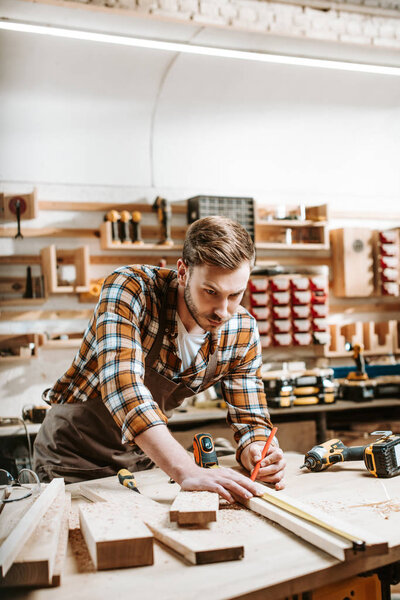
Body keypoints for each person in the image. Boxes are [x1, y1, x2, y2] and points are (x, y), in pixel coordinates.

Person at [33, 216, 285, 502]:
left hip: (142, 459)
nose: (223, 311)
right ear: (182, 272)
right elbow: (123, 386)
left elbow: (250, 419)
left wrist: (256, 449)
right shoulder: (130, 288)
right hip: (72, 458)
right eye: (210, 292)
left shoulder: (241, 330)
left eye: (235, 294)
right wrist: (186, 469)